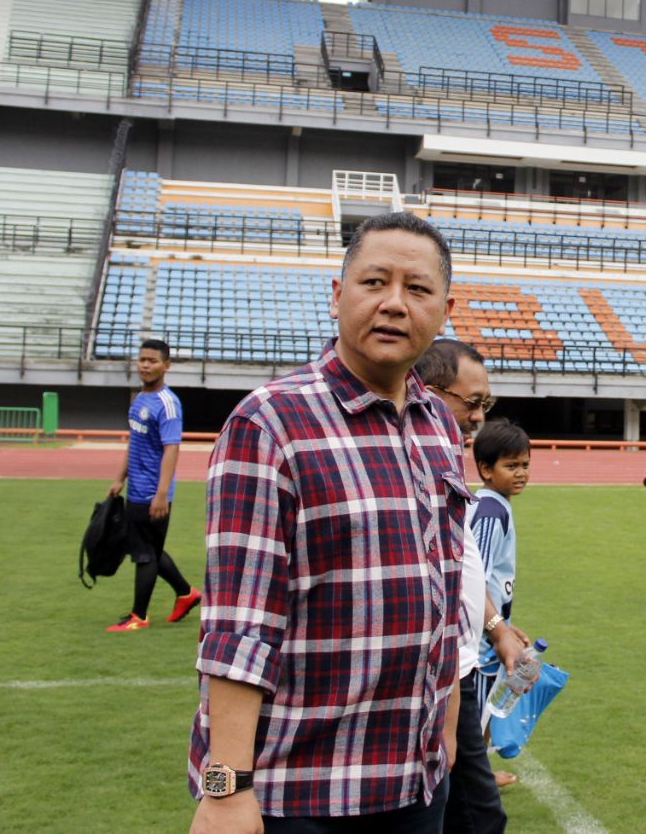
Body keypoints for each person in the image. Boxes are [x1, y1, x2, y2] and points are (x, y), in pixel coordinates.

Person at [189, 213, 468, 833]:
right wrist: (225, 788)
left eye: (417, 289)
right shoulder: (269, 424)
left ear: (445, 310)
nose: (395, 303)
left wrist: (446, 726)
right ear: (338, 295)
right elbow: (239, 623)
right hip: (301, 794)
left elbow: (444, 594)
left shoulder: (439, 425)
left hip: (414, 783)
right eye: (375, 282)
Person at [416, 339, 530, 829]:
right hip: (424, 676)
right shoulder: (405, 463)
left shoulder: (447, 469)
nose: (478, 417)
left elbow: (463, 566)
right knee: (469, 816)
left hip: (456, 669)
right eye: (473, 402)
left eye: (485, 404)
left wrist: (497, 625)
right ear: (427, 390)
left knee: (473, 814)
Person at [105, 338, 200, 632]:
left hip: (152, 493)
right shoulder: (139, 399)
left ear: (166, 366)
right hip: (136, 489)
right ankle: (187, 593)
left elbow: (171, 449)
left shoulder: (168, 404)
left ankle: (139, 616)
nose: (146, 365)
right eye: (142, 359)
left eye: (153, 361)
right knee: (148, 549)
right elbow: (134, 442)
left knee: (145, 554)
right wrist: (120, 478)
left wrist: (161, 494)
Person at [465, 418, 532, 792]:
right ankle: (469, 787)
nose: (520, 473)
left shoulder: (493, 504)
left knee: (488, 707)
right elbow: (474, 578)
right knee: (474, 717)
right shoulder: (491, 512)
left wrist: (506, 624)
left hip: (489, 631)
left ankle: (477, 776)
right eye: (510, 466)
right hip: (478, 644)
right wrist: (496, 631)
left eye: (524, 464)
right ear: (486, 469)